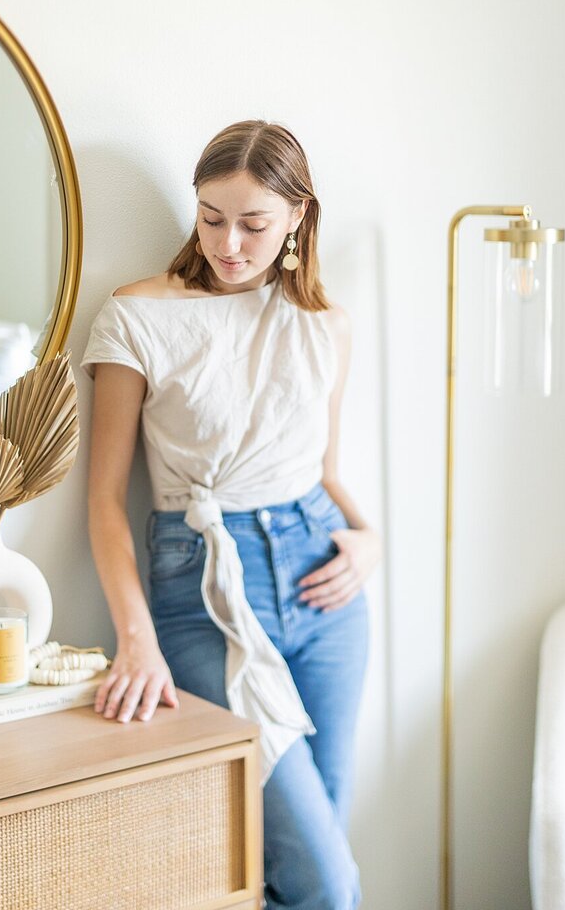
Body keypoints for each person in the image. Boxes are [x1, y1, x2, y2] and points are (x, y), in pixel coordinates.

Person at [81, 119, 380, 910]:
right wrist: (135, 641)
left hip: (326, 588)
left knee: (306, 869)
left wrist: (370, 540)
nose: (229, 244)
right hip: (204, 591)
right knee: (327, 880)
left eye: (253, 224)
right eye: (212, 218)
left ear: (297, 217)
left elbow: (326, 473)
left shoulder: (325, 325)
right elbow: (106, 500)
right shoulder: (137, 316)